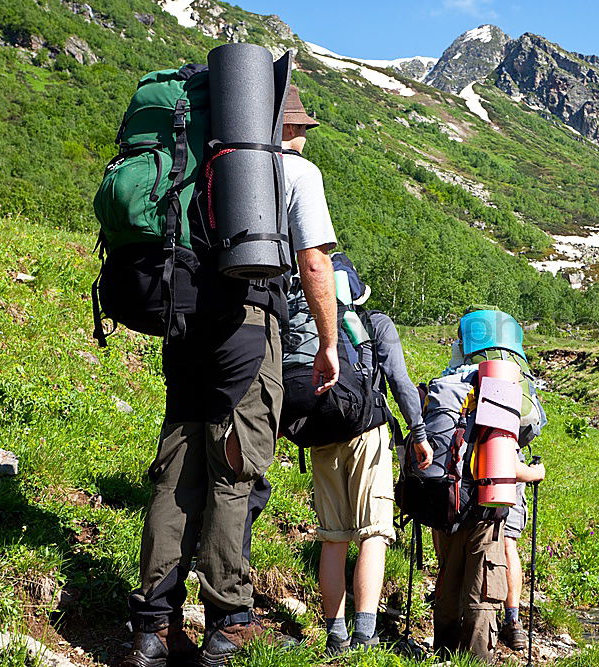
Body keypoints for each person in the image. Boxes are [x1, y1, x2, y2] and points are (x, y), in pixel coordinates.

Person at [122, 85, 339, 667]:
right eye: (299, 127)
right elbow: (315, 260)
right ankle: (226, 623)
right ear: (282, 126)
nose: (300, 137)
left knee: (175, 472)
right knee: (233, 473)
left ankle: (151, 626)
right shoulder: (294, 172)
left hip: (183, 319)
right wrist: (327, 341)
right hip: (246, 328)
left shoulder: (196, 166)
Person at [307, 254, 433, 656]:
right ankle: (364, 635)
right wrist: (419, 432)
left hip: (322, 433)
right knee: (373, 533)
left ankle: (335, 636)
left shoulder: (314, 323)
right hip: (367, 430)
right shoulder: (375, 323)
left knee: (333, 537)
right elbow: (398, 380)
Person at [433, 459, 545, 662]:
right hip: (486, 512)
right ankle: (479, 656)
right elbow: (506, 463)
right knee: (483, 589)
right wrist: (535, 473)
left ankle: (443, 655)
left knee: (449, 578)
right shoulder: (495, 425)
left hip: (450, 502)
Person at [499, 482, 529, 651]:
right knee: (508, 542)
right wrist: (535, 473)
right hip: (507, 477)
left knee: (448, 524)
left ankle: (444, 595)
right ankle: (513, 621)